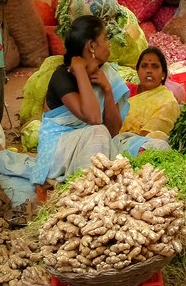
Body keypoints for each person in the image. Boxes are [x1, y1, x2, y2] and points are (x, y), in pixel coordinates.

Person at [31, 15, 130, 185]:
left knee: (150, 144)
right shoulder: (62, 76)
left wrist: (107, 90)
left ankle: (97, 183)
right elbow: (94, 119)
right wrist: (80, 70)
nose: (109, 43)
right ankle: (86, 190)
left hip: (91, 143)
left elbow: (114, 130)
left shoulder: (105, 73)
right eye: (105, 38)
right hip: (57, 151)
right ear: (92, 45)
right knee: (98, 132)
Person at [113, 47, 180, 156]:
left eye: (155, 67)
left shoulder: (168, 102)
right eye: (144, 66)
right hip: (111, 141)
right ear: (138, 71)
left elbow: (146, 136)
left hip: (136, 146)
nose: (149, 71)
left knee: (159, 146)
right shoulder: (124, 91)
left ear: (163, 74)